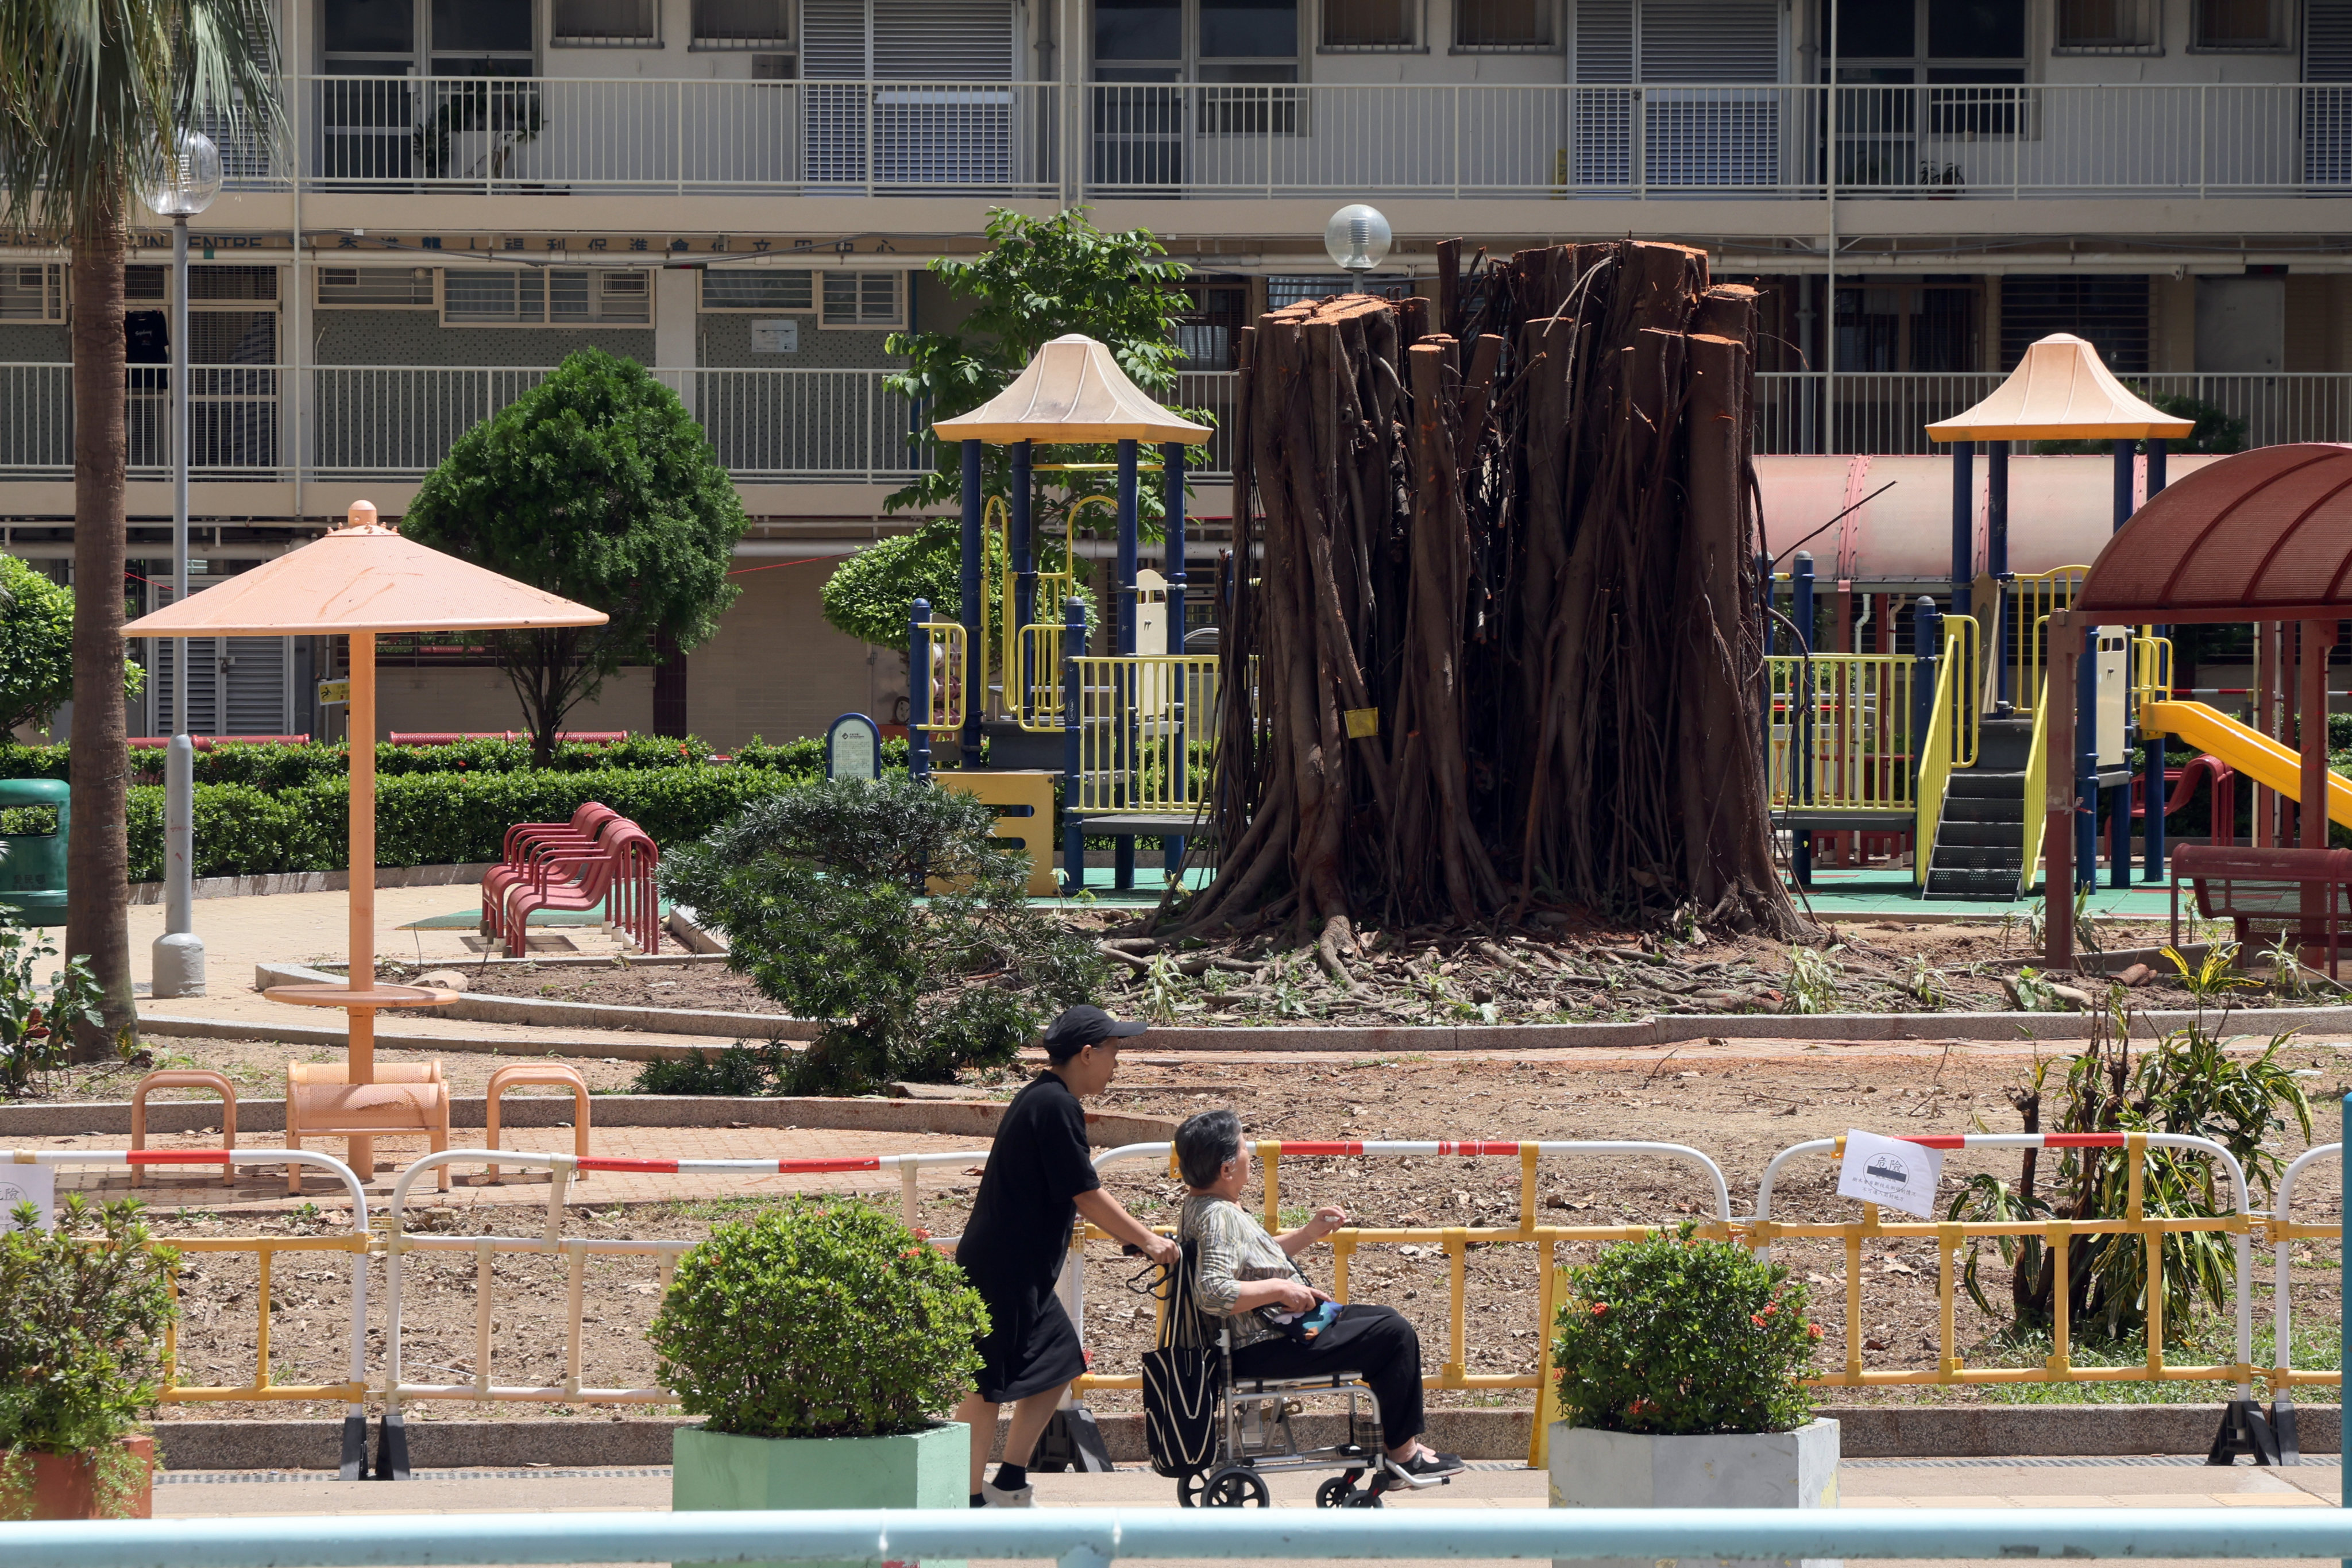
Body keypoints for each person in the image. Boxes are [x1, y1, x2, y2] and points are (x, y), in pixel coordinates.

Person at [952, 1005, 1180, 1508]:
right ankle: (965, 1502)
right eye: (1114, 1051)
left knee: (1059, 1362)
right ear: (1086, 1053)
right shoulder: (1054, 1106)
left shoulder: (1045, 1098)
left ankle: (1010, 1482)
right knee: (987, 1384)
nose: (1116, 1063)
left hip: (1021, 1268)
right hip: (1004, 1270)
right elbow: (1085, 1192)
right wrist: (1147, 1240)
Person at [1172, 1107, 1463, 1484]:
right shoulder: (1219, 1217)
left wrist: (1308, 1234)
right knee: (1394, 1334)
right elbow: (1213, 1292)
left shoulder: (1201, 1206)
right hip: (1262, 1345)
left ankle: (1397, 1443)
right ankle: (1403, 1455)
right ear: (1227, 1169)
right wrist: (1281, 1289)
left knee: (1381, 1318)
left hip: (1262, 1335)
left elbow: (1249, 1261)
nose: (1251, 1155)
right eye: (1244, 1148)